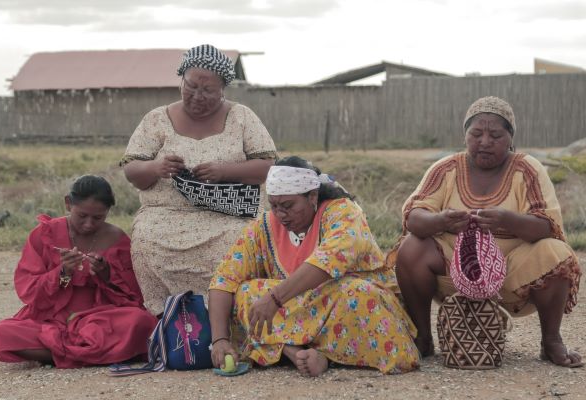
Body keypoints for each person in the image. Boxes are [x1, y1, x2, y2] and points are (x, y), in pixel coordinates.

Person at [389, 96, 583, 367]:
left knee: (557, 252)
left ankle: (551, 341)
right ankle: (422, 338)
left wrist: (508, 220)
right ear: (465, 135)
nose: (485, 141)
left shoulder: (527, 169)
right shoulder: (445, 168)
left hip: (513, 276)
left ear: (510, 138)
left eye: (495, 135)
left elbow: (547, 225)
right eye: (476, 133)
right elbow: (413, 217)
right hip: (454, 274)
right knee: (411, 247)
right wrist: (442, 221)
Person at [208, 156, 420, 377]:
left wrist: (274, 298)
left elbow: (328, 261)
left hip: (343, 306)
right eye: (274, 205)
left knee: (358, 293)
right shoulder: (264, 226)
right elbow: (224, 278)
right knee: (245, 294)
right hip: (294, 307)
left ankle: (309, 352)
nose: (281, 214)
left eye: (288, 206)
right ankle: (297, 351)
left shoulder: (343, 213)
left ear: (312, 196)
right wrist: (220, 339)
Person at [121, 44, 277, 317]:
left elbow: (268, 166)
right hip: (165, 215)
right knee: (145, 240)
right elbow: (132, 170)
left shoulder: (241, 118)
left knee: (239, 242)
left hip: (229, 216)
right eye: (191, 86)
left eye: (208, 90)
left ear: (223, 89)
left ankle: (229, 318)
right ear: (181, 79)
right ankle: (168, 321)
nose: (197, 96)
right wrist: (157, 167)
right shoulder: (157, 119)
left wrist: (224, 171)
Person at [0, 175, 157, 368]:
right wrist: (63, 273)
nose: (88, 224)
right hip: (52, 317)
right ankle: (99, 353)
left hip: (100, 316)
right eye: (82, 216)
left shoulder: (117, 239)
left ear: (108, 212)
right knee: (3, 333)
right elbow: (29, 292)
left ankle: (56, 354)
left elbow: (134, 297)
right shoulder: (44, 234)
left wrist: (105, 275)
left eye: (98, 218)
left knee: (141, 321)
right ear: (68, 204)